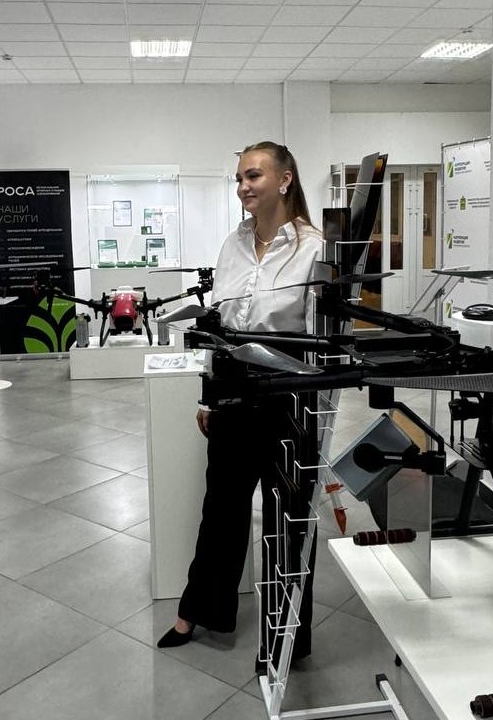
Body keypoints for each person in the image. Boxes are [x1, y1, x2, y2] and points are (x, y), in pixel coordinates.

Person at [157, 141, 323, 664]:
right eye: (239, 179)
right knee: (221, 511)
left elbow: (322, 341)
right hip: (232, 392)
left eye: (253, 176)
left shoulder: (315, 249)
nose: (243, 186)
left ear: (285, 180)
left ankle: (286, 636)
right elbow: (221, 326)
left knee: (287, 521)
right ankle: (197, 610)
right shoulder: (233, 244)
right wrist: (210, 396)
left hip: (287, 397)